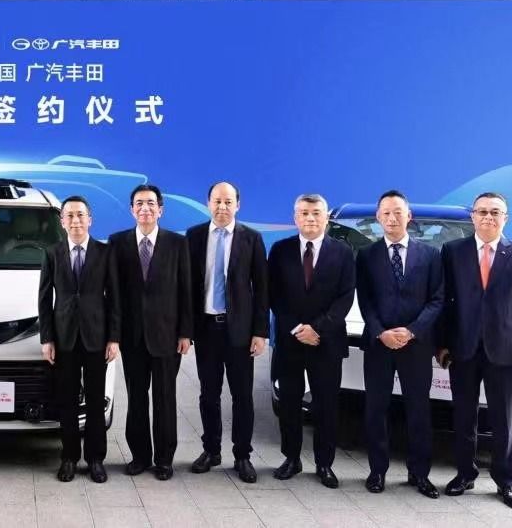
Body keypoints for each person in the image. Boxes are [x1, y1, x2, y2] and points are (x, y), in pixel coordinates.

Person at [438, 192, 512, 510]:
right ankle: (464, 474)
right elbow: (444, 302)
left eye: (495, 212)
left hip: (504, 352)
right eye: (482, 211)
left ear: (505, 218)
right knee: (463, 416)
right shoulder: (453, 251)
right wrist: (442, 344)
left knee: (502, 420)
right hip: (463, 349)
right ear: (473, 216)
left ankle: (506, 481)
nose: (488, 217)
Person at [356, 190, 443, 498]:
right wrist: (381, 332)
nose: (392, 218)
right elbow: (365, 300)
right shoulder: (366, 255)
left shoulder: (431, 255)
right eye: (386, 213)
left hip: (416, 346)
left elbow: (437, 299)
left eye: (397, 212)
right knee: (376, 409)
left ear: (409, 216)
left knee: (418, 410)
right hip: (379, 345)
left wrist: (412, 331)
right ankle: (377, 471)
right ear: (378, 218)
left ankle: (419, 473)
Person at [268, 193, 354, 489]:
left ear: (326, 217)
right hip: (290, 342)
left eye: (316, 212)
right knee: (289, 403)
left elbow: (345, 296)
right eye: (304, 213)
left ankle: (324, 463)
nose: (310, 218)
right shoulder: (280, 250)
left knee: (326, 405)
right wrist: (296, 328)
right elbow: (274, 294)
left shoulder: (343, 252)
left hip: (326, 342)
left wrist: (318, 329)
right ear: (295, 217)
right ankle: (291, 458)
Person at [185, 181, 268, 483]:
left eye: (228, 202)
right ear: (208, 203)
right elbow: (187, 286)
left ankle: (242, 455)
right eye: (217, 201)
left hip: (240, 332)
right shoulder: (194, 236)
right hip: (206, 328)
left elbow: (262, 288)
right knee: (209, 394)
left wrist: (260, 332)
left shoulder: (251, 238)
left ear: (238, 205)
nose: (222, 207)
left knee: (242, 396)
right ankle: (211, 450)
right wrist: (186, 330)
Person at [107, 184, 191, 480]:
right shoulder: (117, 243)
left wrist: (185, 332)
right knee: (137, 398)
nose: (145, 208)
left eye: (151, 203)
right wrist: (114, 335)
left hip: (167, 336)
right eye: (139, 203)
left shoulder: (177, 244)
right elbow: (113, 294)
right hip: (132, 337)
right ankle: (140, 456)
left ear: (160, 210)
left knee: (165, 398)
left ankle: (164, 459)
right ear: (132, 209)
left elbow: (186, 290)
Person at [39, 195, 120, 484]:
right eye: (70, 216)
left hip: (97, 337)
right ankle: (69, 457)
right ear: (62, 221)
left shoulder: (105, 252)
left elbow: (115, 298)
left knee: (96, 401)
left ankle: (96, 459)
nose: (75, 221)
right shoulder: (52, 253)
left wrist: (114, 337)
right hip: (64, 339)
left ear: (90, 220)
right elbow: (44, 299)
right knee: (68, 401)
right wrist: (47, 338)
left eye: (80, 215)